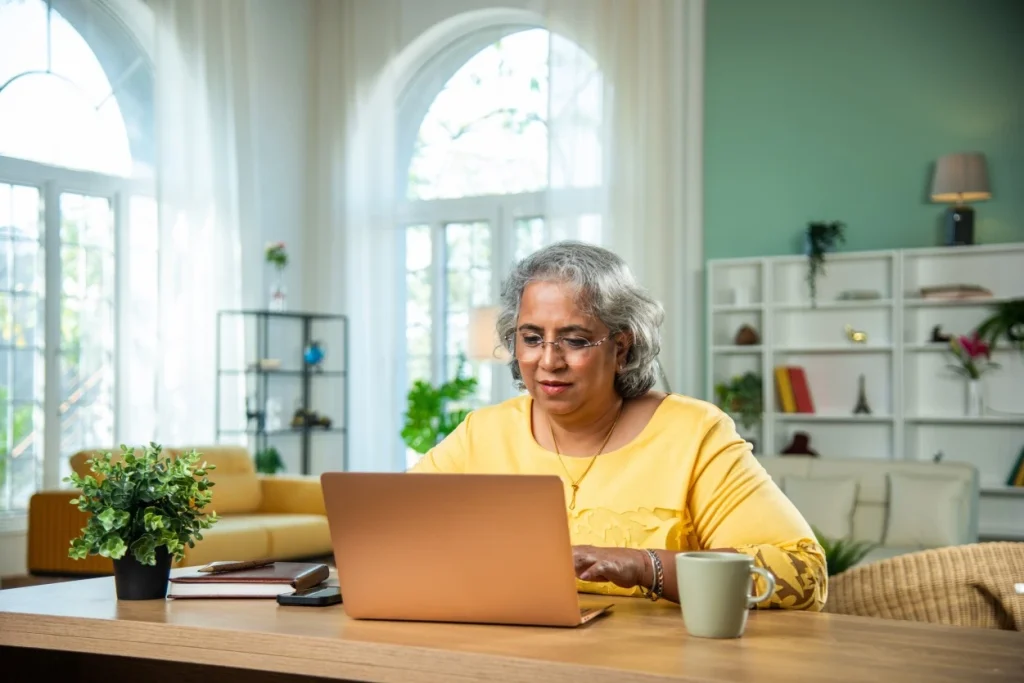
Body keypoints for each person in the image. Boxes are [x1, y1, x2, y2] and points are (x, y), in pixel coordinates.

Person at [409, 241, 827, 610]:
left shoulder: (694, 433)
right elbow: (387, 526)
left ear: (622, 348)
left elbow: (804, 574)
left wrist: (645, 566)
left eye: (574, 340)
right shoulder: (482, 432)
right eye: (532, 338)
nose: (549, 360)